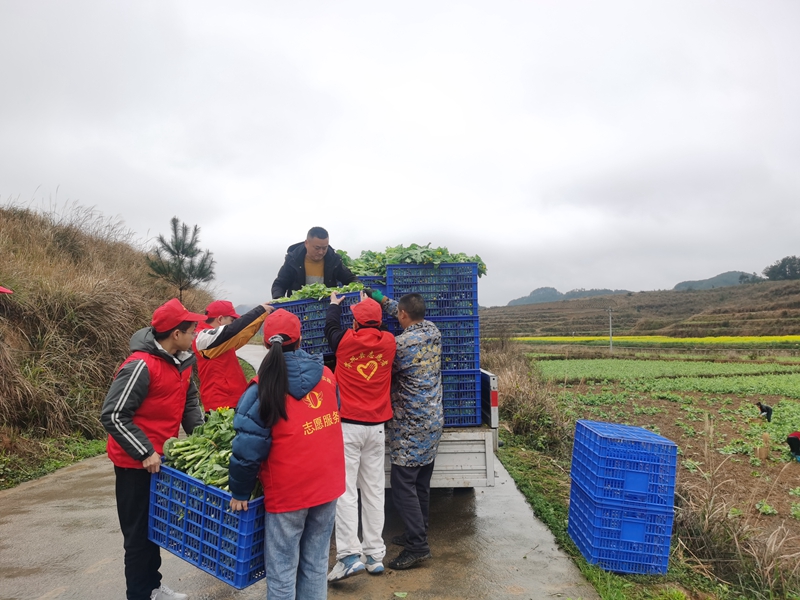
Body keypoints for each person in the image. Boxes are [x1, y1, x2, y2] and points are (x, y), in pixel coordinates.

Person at [228, 309, 345, 600]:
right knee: (316, 565)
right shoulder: (327, 376)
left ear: (267, 344)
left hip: (288, 492)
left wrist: (240, 492)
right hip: (327, 485)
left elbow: (247, 448)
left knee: (282, 572)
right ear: (301, 338)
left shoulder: (262, 389)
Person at [100, 298, 206, 600]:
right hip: (135, 463)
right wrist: (144, 451)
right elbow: (113, 414)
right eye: (191, 329)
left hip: (162, 459)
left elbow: (189, 402)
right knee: (136, 536)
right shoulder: (140, 366)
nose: (195, 334)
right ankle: (139, 593)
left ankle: (153, 587)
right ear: (175, 333)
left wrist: (202, 438)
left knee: (154, 527)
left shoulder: (184, 361)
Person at [324, 291, 397, 581]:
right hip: (376, 428)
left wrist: (333, 305)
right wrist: (375, 302)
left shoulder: (344, 342)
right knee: (374, 490)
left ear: (353, 323)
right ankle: (374, 555)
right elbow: (387, 325)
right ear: (379, 323)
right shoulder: (389, 343)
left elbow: (330, 328)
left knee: (345, 491)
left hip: (348, 427)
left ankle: (349, 556)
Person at [368, 289, 443, 570]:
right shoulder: (434, 331)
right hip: (434, 420)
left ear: (402, 315)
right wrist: (380, 299)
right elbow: (402, 311)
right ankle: (418, 530)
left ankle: (418, 546)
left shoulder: (399, 346)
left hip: (410, 426)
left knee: (402, 487)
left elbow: (377, 367)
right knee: (421, 483)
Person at [193, 300, 273, 412]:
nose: (233, 323)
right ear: (220, 319)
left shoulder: (221, 340)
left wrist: (262, 316)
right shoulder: (203, 337)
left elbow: (242, 334)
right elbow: (233, 330)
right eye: (232, 320)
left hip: (232, 401)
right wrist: (258, 311)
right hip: (221, 405)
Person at [271, 226, 357, 298]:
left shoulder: (333, 260)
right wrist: (279, 300)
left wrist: (359, 288)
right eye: (317, 248)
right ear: (306, 243)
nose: (321, 252)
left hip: (327, 307)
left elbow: (350, 278)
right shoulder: (293, 260)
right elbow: (279, 284)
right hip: (299, 308)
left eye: (324, 248)